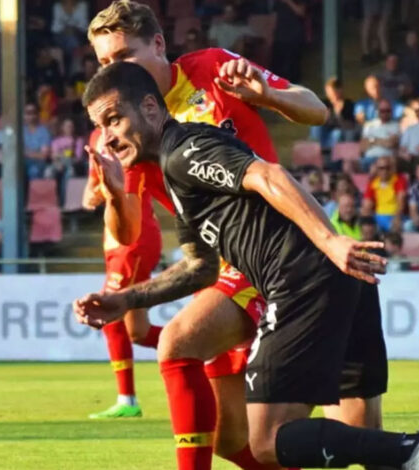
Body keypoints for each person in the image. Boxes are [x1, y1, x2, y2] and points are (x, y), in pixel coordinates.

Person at [76, 60, 419, 470]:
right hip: (338, 276)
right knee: (361, 436)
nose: (107, 137)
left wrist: (330, 241)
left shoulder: (185, 150)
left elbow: (267, 175)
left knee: (266, 440)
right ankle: (411, 455)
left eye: (114, 119)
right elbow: (201, 268)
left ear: (150, 107)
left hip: (300, 279)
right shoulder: (175, 171)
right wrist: (125, 300)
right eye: (100, 127)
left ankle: (410, 449)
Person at [82, 3, 350, 469]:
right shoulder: (121, 124)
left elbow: (316, 110)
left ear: (159, 44)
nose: (114, 69)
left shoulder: (210, 68)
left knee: (178, 343)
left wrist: (268, 95)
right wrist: (116, 195)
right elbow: (127, 233)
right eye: (104, 62)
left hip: (275, 246)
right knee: (233, 439)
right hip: (220, 263)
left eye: (124, 55)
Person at [309, 77, 357, 150]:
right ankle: (315, 148)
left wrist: (339, 116)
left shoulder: (348, 104)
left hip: (340, 130)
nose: (330, 95)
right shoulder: (324, 103)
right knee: (316, 127)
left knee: (336, 133)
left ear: (340, 90)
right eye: (328, 92)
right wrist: (324, 118)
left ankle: (327, 150)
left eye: (333, 92)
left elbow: (350, 125)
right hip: (325, 129)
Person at [362, 157, 407, 233]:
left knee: (397, 227)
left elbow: (401, 202)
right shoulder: (373, 183)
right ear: (377, 169)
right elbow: (367, 205)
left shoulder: (399, 179)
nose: (384, 171)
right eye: (381, 168)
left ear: (391, 169)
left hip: (394, 215)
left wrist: (397, 217)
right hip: (378, 216)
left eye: (387, 168)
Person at [49, 118, 85, 204]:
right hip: (58, 163)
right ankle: (50, 201)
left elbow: (78, 157)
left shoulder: (78, 140)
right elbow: (54, 155)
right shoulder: (57, 141)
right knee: (48, 172)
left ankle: (64, 201)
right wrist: (59, 162)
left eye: (71, 126)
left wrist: (62, 156)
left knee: (70, 172)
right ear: (62, 127)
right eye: (67, 126)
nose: (70, 128)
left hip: (72, 164)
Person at [271, 0, 307, 83]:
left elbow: (301, 13)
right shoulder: (278, 2)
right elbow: (274, 17)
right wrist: (272, 34)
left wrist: (288, 2)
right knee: (278, 67)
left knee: (293, 66)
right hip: (279, 37)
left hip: (294, 37)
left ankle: (294, 85)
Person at [360, 99, 401, 169]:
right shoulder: (369, 125)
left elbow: (390, 143)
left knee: (377, 167)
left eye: (388, 111)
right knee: (347, 164)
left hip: (387, 160)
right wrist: (383, 141)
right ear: (378, 111)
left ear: (391, 111)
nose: (385, 113)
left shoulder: (396, 126)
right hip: (368, 159)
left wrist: (372, 141)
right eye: (382, 111)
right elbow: (363, 147)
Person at [398, 29, 419, 96]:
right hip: (408, 81)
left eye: (413, 37)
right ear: (406, 39)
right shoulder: (401, 53)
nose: (412, 39)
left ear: (417, 39)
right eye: (410, 38)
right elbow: (400, 70)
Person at [23, 103, 52, 180]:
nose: (31, 116)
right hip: (22, 162)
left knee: (33, 170)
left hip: (38, 163)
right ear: (24, 115)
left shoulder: (44, 132)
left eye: (33, 113)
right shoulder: (20, 131)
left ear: (37, 114)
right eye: (28, 113)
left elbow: (43, 155)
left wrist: (25, 153)